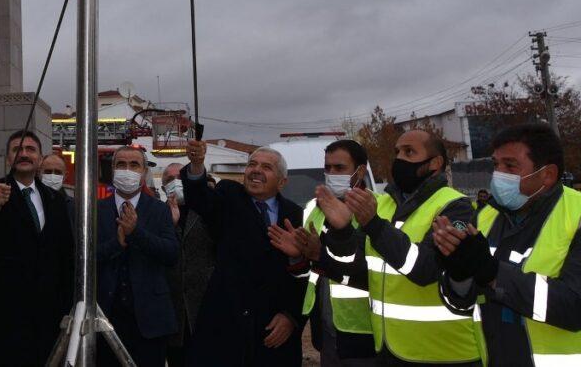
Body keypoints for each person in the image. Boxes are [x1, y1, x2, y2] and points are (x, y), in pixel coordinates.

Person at [319, 130, 480, 366]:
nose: (399, 159)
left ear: (435, 163)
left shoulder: (456, 207)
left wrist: (374, 225)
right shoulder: (383, 204)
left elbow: (426, 269)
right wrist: (341, 232)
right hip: (389, 350)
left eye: (409, 152)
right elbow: (356, 269)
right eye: (397, 152)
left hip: (444, 353)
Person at [433, 123, 581, 366]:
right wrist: (459, 275)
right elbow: (460, 304)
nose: (498, 174)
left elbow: (574, 307)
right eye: (496, 165)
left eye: (510, 166)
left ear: (548, 175)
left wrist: (493, 274)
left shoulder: (577, 215)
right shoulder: (484, 217)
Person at [183, 142, 307, 366]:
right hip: (227, 325)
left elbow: (306, 276)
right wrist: (197, 166)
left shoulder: (296, 215)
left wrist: (292, 316)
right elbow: (201, 199)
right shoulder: (229, 196)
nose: (256, 170)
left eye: (267, 167)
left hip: (272, 332)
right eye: (252, 164)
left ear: (282, 182)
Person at [0, 130, 74, 366]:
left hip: (48, 315)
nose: (24, 154)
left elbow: (65, 253)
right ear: (8, 158)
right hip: (6, 315)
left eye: (30, 149)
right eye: (17, 149)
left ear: (40, 157)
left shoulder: (54, 199)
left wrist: (68, 305)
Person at [268, 139, 375, 367]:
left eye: (339, 168)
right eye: (327, 168)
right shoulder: (313, 210)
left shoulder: (377, 209)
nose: (331, 174)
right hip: (325, 329)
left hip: (367, 329)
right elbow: (308, 275)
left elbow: (376, 270)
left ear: (361, 171)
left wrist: (321, 253)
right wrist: (297, 256)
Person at [96, 146, 178, 367]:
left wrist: (136, 233)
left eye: (134, 165)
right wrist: (117, 243)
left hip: (149, 320)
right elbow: (84, 257)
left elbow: (171, 254)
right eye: (121, 164)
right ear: (112, 169)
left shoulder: (159, 210)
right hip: (105, 317)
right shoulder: (95, 210)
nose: (127, 170)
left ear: (143, 172)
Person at [160, 162, 213, 367]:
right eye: (169, 179)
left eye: (179, 178)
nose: (175, 183)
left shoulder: (206, 211)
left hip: (203, 308)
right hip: (172, 313)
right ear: (164, 187)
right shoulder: (158, 214)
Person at [39, 152, 75, 228]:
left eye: (58, 172)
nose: (52, 176)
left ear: (65, 176)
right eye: (48, 172)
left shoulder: (73, 207)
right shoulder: (29, 202)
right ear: (39, 173)